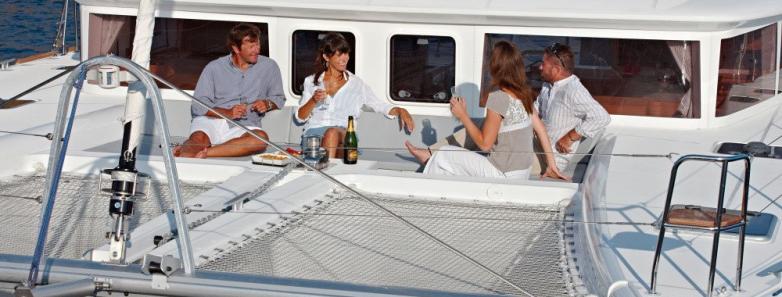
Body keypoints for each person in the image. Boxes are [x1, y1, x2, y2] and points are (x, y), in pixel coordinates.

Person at [405, 41, 566, 180]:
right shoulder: (523, 94)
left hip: (503, 174)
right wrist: (552, 166)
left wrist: (463, 116)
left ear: (494, 67)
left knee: (444, 153)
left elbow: (485, 144)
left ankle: (428, 167)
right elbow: (541, 130)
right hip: (522, 173)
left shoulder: (498, 98)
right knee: (455, 162)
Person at [174, 23, 285, 158]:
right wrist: (228, 113)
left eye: (258, 45)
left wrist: (267, 104)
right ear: (236, 48)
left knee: (261, 139)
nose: (257, 50)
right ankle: (188, 155)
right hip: (212, 120)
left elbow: (278, 98)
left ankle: (205, 153)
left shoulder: (269, 66)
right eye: (251, 46)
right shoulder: (214, 67)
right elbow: (198, 105)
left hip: (246, 125)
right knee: (198, 139)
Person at [296, 32, 414, 157]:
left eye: (346, 53)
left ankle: (324, 171)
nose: (345, 58)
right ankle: (330, 170)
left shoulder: (356, 84)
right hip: (314, 137)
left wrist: (400, 110)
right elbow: (300, 117)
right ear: (326, 57)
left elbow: (378, 104)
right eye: (339, 54)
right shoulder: (311, 81)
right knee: (337, 146)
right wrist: (313, 100)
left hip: (345, 134)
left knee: (332, 133)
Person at [535, 43, 610, 171]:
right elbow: (536, 108)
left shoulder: (574, 91)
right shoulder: (548, 85)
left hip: (553, 157)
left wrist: (570, 137)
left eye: (543, 64)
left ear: (556, 70)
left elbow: (602, 117)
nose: (540, 66)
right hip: (538, 145)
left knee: (506, 160)